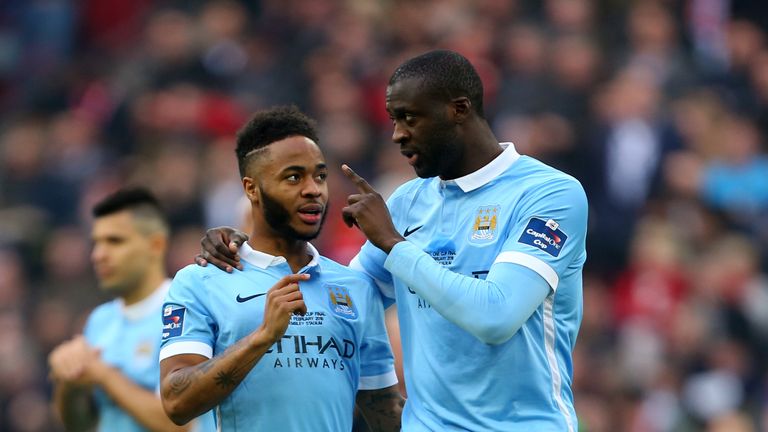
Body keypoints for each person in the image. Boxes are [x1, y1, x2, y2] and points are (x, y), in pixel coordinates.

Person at [200, 50, 588, 431]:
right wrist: (252, 248)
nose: (397, 135)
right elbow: (343, 295)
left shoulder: (549, 194)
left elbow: (496, 316)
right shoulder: (409, 201)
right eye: (392, 119)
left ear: (459, 109)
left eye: (409, 118)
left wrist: (392, 242)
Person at [159, 106, 402, 431]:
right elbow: (176, 402)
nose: (313, 189)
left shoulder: (355, 287)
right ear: (251, 188)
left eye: (320, 176)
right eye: (293, 177)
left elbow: (385, 412)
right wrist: (263, 337)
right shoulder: (201, 280)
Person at [48, 188, 215, 432]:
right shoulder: (99, 320)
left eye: (115, 241)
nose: (98, 255)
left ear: (155, 245)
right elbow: (81, 424)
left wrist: (104, 375)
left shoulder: (185, 310)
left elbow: (181, 423)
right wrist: (69, 381)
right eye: (96, 243)